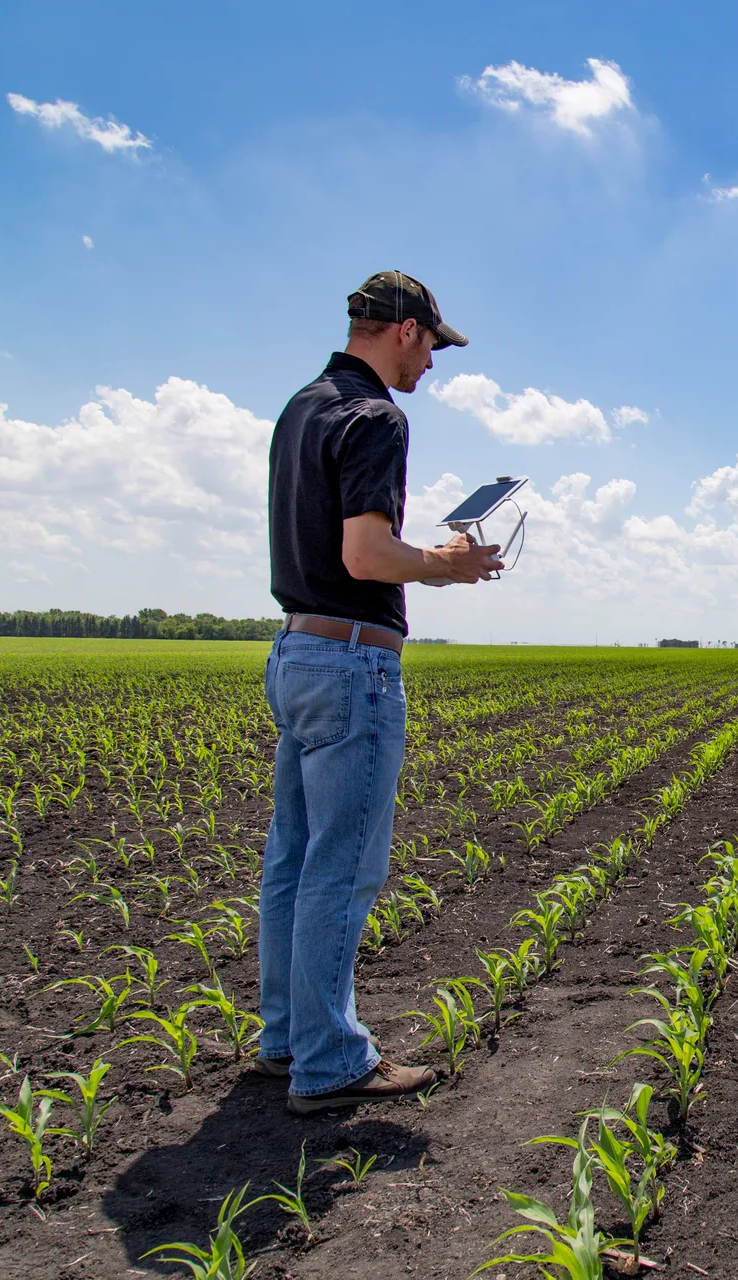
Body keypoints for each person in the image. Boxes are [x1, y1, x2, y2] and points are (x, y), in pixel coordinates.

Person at [257, 271, 503, 1115]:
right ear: (403, 330)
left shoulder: (303, 408)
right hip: (351, 661)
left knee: (292, 858)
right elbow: (366, 555)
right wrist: (450, 564)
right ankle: (329, 1060)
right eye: (433, 344)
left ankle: (287, 1037)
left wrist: (424, 558)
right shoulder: (376, 418)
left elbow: (339, 546)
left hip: (295, 652)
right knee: (342, 864)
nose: (433, 363)